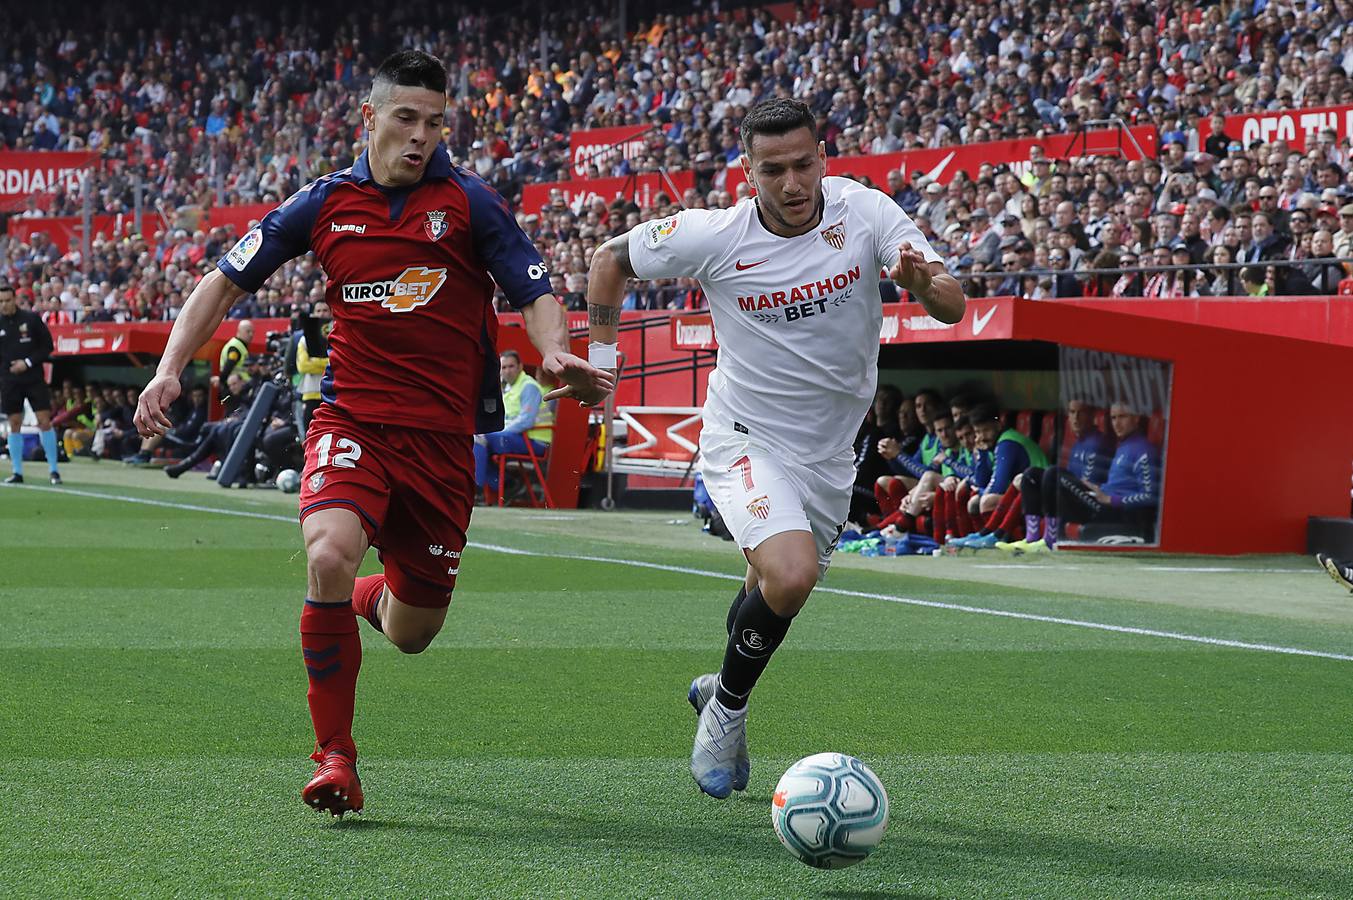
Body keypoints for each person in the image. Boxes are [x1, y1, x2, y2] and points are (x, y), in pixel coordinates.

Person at [134, 50, 613, 819]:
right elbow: (223, 279)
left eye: (434, 122)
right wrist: (166, 368)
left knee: (413, 631)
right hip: (351, 419)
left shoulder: (471, 203)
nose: (421, 135)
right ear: (370, 118)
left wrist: (555, 349)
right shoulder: (321, 204)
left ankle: (364, 597)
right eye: (406, 118)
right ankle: (336, 758)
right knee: (325, 551)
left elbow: (534, 287)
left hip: (440, 444)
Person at [584, 98, 964, 799]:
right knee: (789, 576)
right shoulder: (714, 235)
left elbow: (950, 302)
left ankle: (718, 688)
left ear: (823, 158)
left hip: (829, 454)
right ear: (746, 172)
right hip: (744, 439)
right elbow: (609, 260)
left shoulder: (867, 213)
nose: (791, 184)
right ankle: (727, 712)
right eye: (772, 170)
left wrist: (922, 285)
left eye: (801, 165)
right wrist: (602, 360)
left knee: (770, 589)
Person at [1001, 398, 1113, 553]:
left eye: (1081, 413)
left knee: (1053, 473)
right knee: (1031, 474)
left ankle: (1049, 540)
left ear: (1092, 416)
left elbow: (1089, 485)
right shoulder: (1079, 442)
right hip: (1075, 498)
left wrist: (1056, 484)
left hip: (1093, 504)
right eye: (1072, 413)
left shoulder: (1098, 442)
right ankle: (1031, 538)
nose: (1075, 418)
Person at [472, 349, 554, 503]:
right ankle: (507, 484)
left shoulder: (529, 386)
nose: (507, 371)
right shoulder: (507, 390)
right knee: (476, 439)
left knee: (479, 438)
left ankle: (477, 490)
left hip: (536, 442)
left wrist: (497, 432)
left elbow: (525, 421)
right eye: (503, 367)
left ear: (520, 367)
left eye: (511, 366)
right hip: (517, 438)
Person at [0, 281, 62, 485]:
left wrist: (26, 363)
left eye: (7, 300)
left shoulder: (31, 319)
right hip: (9, 381)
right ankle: (17, 471)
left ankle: (54, 470)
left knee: (44, 420)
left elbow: (48, 346)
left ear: (15, 300)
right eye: (0, 301)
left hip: (33, 378)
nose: (4, 305)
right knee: (14, 423)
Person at [295, 301, 332, 433]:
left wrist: (314, 361)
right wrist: (327, 363)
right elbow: (304, 366)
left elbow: (339, 363)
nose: (322, 313)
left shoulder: (337, 338)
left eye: (325, 310)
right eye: (318, 310)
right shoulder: (304, 340)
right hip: (310, 395)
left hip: (332, 395)